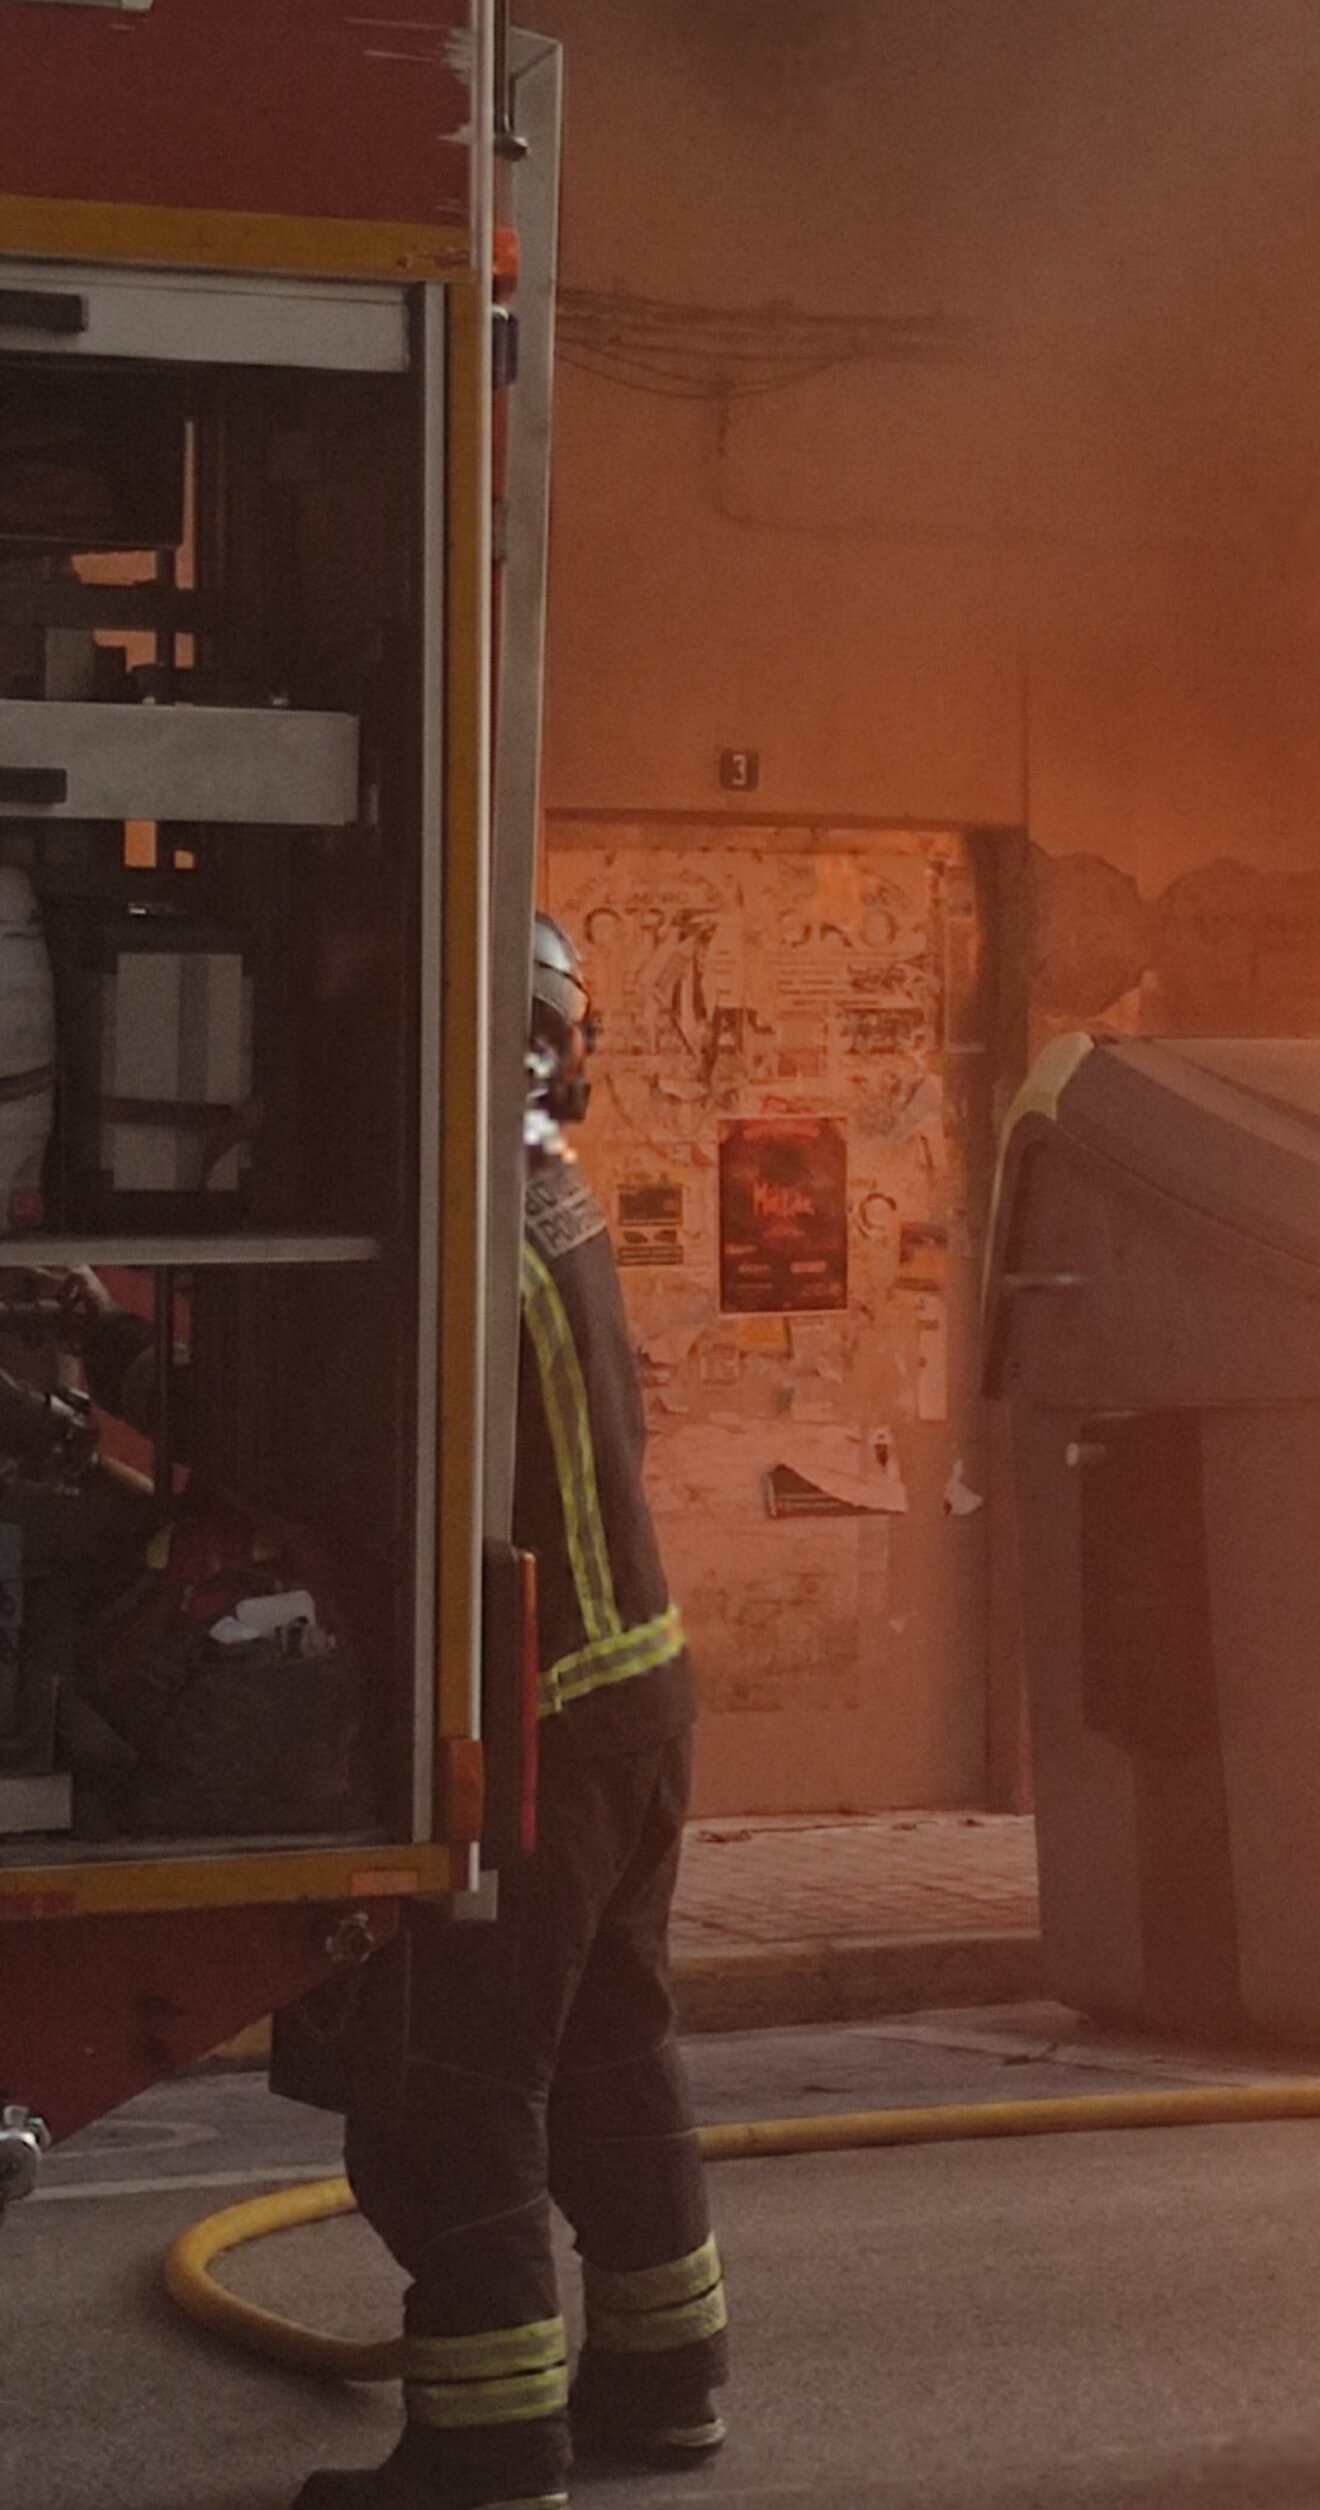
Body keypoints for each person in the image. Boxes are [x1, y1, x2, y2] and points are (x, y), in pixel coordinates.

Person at [294, 916, 723, 2510]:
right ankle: (665, 2382)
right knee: (617, 2058)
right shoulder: (549, 1190)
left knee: (451, 2097)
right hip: (636, 1708)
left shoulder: (461, 1217)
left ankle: (487, 2448)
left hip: (532, 1732)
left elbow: (336, 1448)